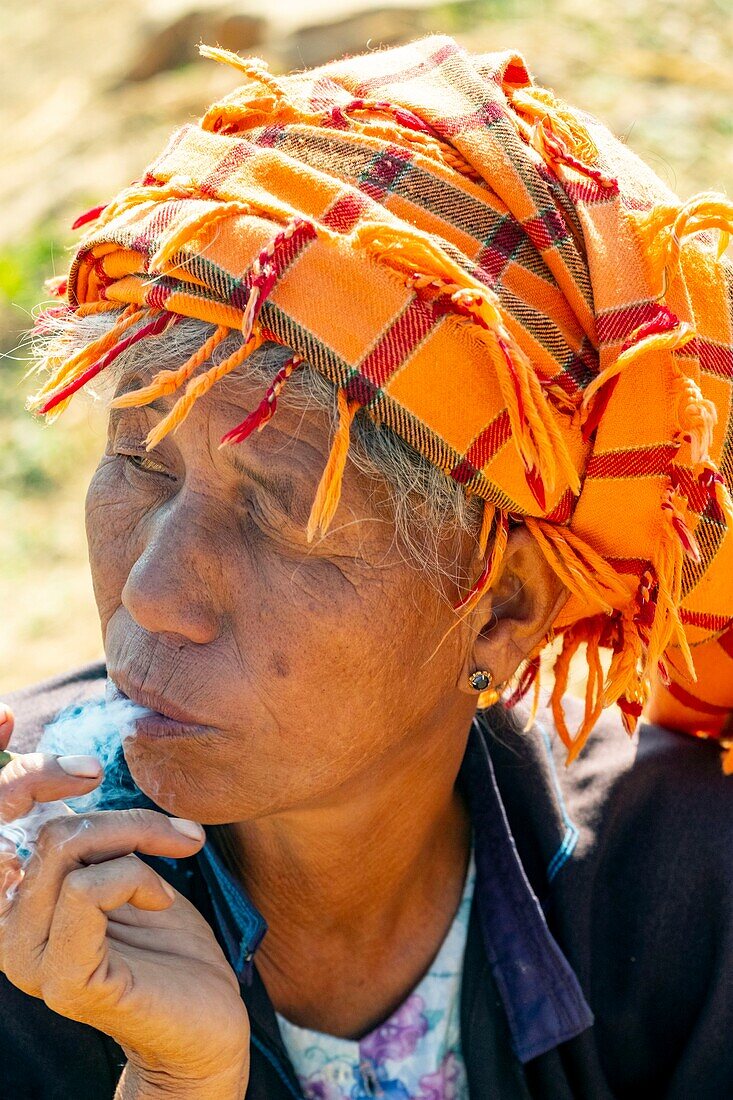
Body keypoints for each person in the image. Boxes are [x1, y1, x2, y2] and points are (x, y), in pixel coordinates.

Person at [1, 34, 732, 1100]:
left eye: (283, 517)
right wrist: (172, 1079)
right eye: (136, 465)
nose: (149, 595)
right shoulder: (29, 925)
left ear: (502, 609)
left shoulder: (681, 903)